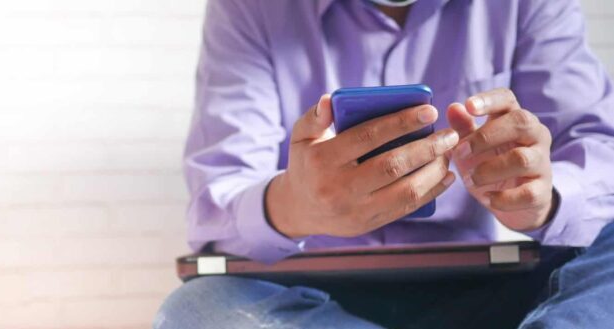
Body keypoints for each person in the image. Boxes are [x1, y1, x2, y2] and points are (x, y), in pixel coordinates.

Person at [155, 0, 614, 328]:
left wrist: (545, 197)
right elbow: (219, 199)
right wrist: (297, 206)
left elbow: (598, 154)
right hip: (310, 293)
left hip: (487, 290)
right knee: (197, 312)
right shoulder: (250, 8)